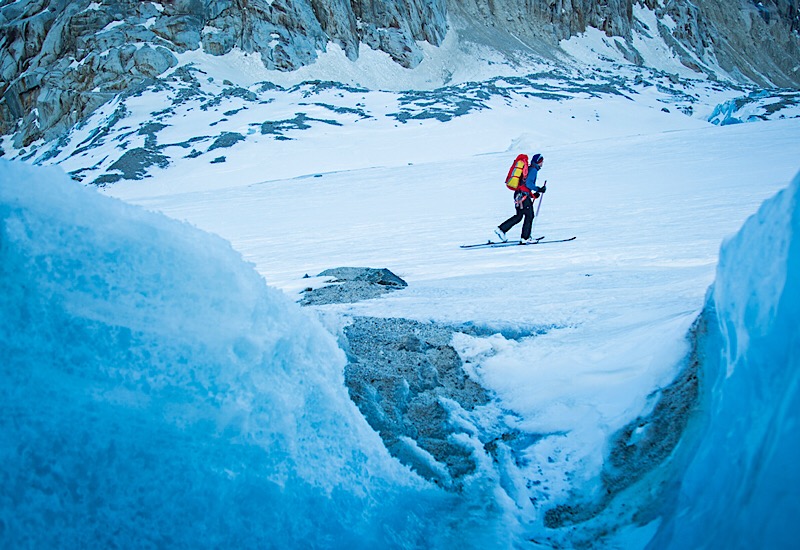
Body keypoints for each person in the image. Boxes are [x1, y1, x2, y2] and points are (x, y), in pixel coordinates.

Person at [494, 153, 547, 243]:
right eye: (542, 161)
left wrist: (533, 195)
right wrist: (539, 189)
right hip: (523, 197)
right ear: (539, 162)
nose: (542, 163)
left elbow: (524, 184)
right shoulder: (533, 170)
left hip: (519, 195)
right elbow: (528, 184)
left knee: (519, 216)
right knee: (529, 215)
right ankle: (525, 238)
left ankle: (501, 229)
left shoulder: (529, 169)